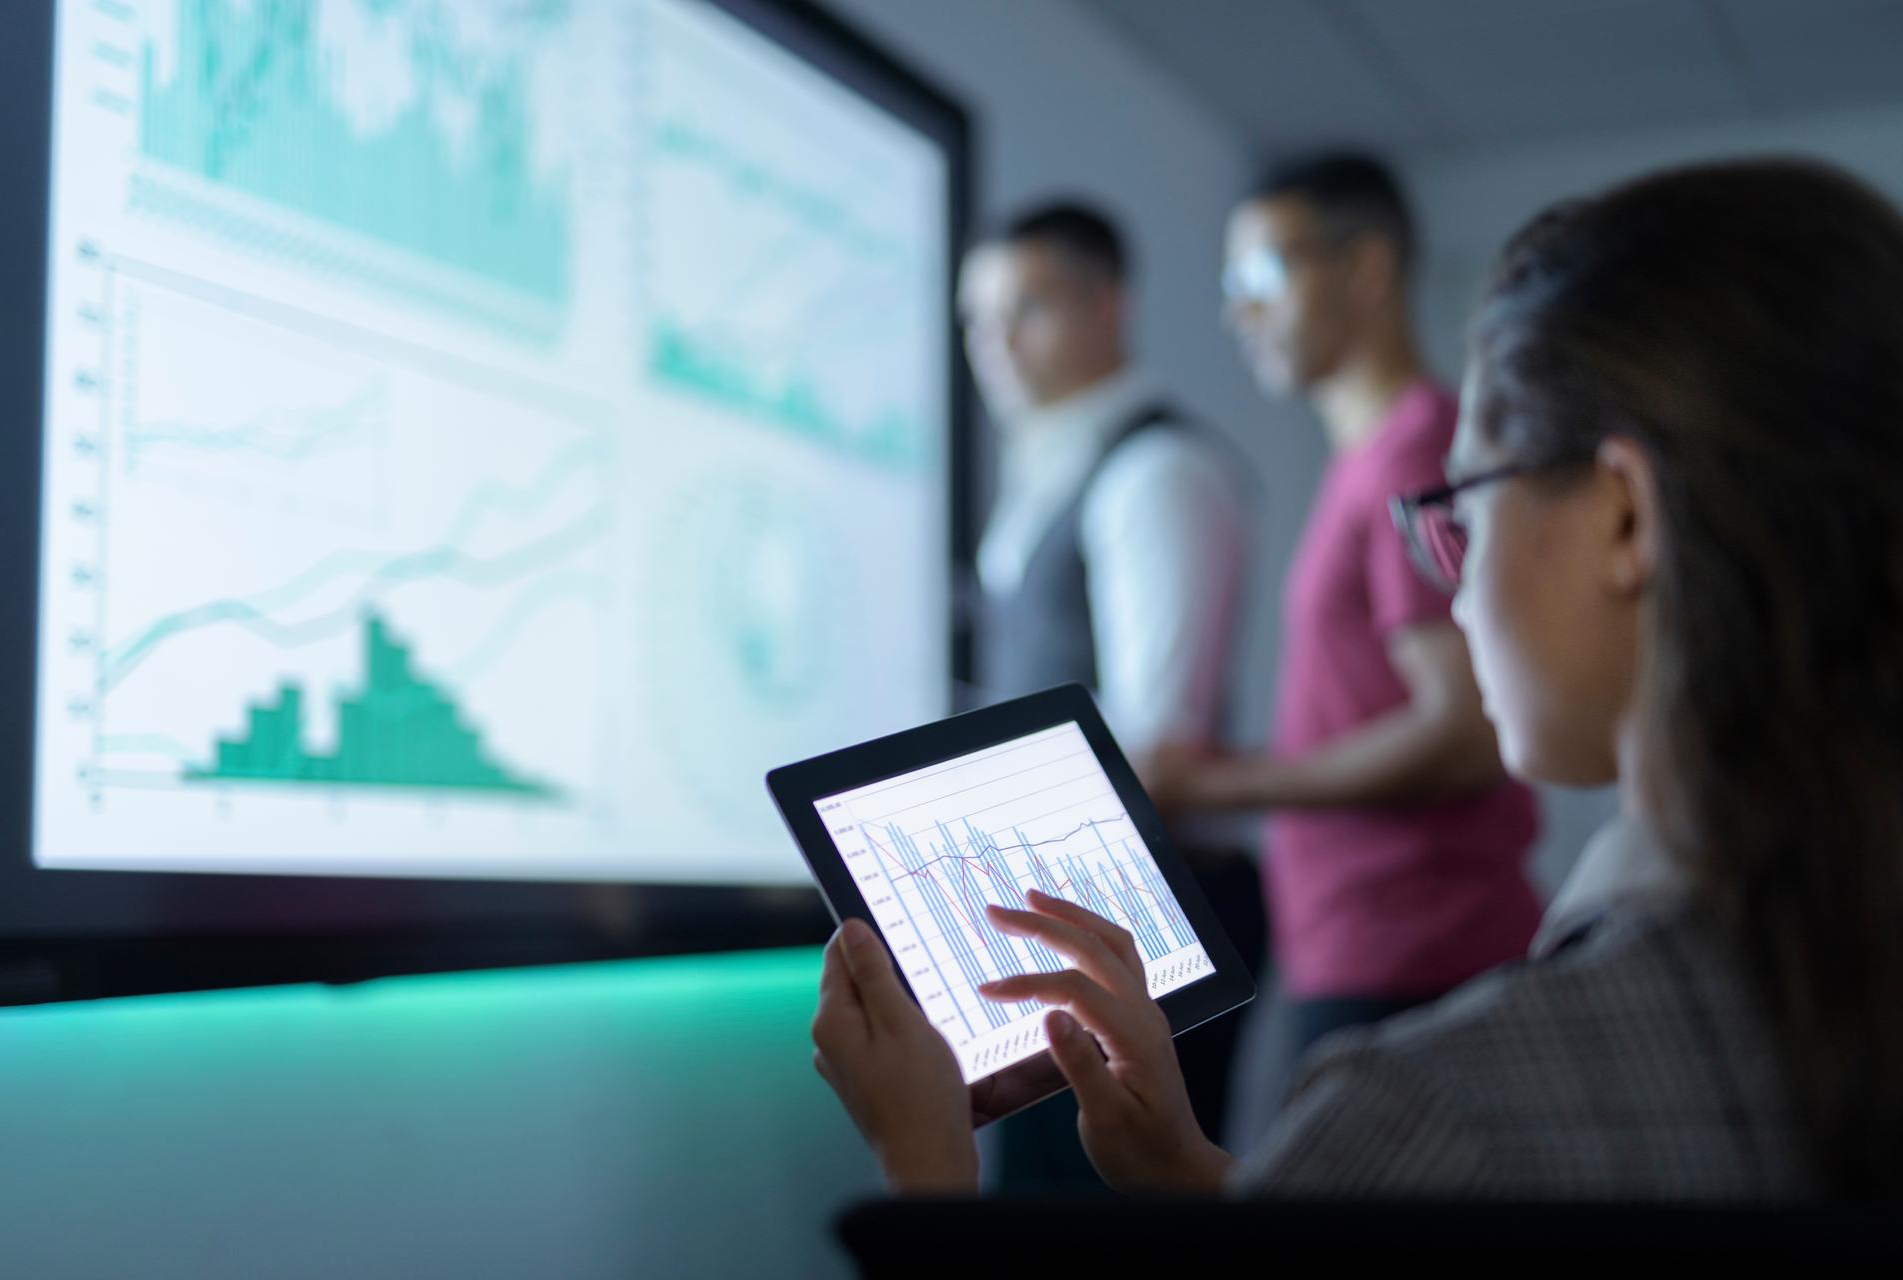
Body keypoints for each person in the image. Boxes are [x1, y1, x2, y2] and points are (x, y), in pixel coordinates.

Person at [810, 158, 1903, 1200]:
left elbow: (1452, 732)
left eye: (1464, 510)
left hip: (1400, 933)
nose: (1457, 589)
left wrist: (926, 1162)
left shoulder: (1433, 1108)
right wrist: (1187, 1169)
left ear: (1623, 517)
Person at [1142, 154, 1539, 1073]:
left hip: (1415, 950)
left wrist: (1211, 786)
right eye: (1231, 288)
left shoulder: (1414, 456)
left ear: (1365, 268)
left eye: (1263, 277)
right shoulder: (1373, 458)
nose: (1240, 314)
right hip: (1365, 944)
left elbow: (1464, 732)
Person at [956, 201, 1260, 1189]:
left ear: (1108, 306)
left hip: (1144, 921)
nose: (996, 343)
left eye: (1028, 308)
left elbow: (1158, 742)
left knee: (1104, 1213)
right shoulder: (1052, 469)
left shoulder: (1159, 470)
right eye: (977, 319)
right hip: (1075, 917)